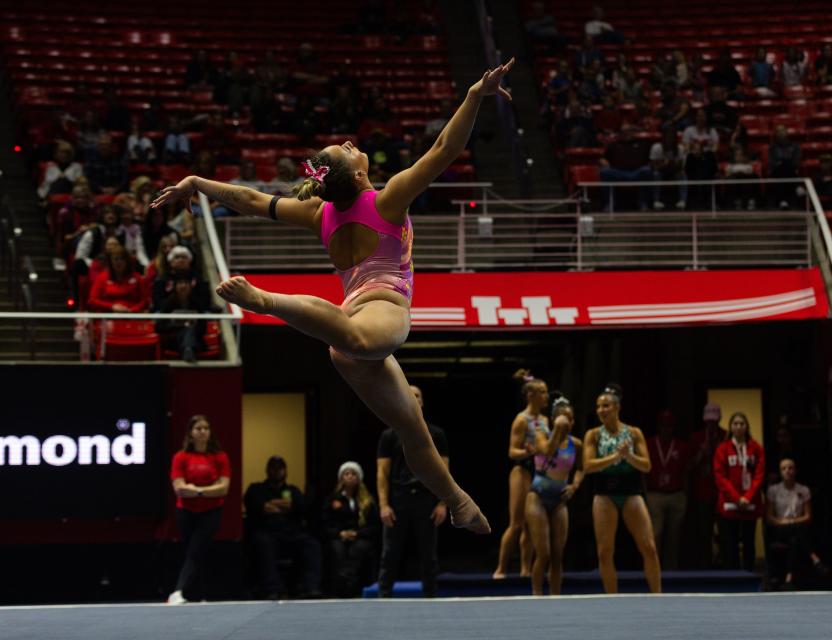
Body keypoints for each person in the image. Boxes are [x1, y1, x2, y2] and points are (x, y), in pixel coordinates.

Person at [151, 62, 517, 534]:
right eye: (342, 149)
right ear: (359, 174)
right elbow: (445, 148)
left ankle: (457, 499)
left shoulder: (318, 213)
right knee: (361, 341)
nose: (348, 143)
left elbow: (249, 200)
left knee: (413, 431)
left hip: (349, 331)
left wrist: (200, 183)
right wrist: (473, 94)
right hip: (380, 311)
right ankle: (265, 300)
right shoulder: (386, 199)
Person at [583, 384, 661, 594]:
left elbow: (646, 465)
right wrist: (615, 457)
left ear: (617, 408)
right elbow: (588, 466)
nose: (601, 410)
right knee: (605, 551)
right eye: (598, 406)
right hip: (604, 493)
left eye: (606, 405)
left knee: (649, 547)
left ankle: (658, 596)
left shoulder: (634, 433)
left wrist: (629, 456)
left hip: (631, 491)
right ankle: (612, 598)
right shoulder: (593, 435)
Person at [376, 385, 449, 597]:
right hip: (398, 500)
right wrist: (383, 505)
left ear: (422, 402)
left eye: (417, 395)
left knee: (428, 554)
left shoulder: (436, 434)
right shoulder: (389, 435)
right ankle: (383, 595)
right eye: (409, 395)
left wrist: (443, 503)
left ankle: (431, 597)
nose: (413, 398)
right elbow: (382, 472)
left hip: (426, 499)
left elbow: (444, 471)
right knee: (390, 552)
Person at [168, 415, 231, 604]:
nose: (203, 432)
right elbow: (179, 488)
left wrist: (198, 490)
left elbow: (223, 488)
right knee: (194, 552)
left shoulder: (220, 457)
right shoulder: (181, 457)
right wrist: (208, 490)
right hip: (186, 512)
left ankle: (177, 592)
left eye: (206, 428)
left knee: (195, 550)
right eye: (198, 428)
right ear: (190, 433)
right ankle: (199, 595)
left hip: (211, 513)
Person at [526, 394, 583, 596]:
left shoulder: (575, 444)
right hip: (537, 498)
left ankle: (556, 597)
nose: (567, 423)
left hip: (559, 500)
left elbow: (581, 468)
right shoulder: (541, 436)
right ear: (554, 421)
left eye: (570, 420)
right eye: (563, 419)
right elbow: (548, 451)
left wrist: (574, 486)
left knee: (558, 554)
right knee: (544, 553)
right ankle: (536, 595)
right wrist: (557, 431)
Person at [494, 370, 549, 579]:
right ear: (530, 395)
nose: (546, 396)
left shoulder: (544, 420)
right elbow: (511, 451)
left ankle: (526, 569)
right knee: (516, 523)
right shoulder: (521, 419)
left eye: (546, 392)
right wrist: (528, 451)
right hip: (521, 471)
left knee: (530, 524)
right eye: (542, 392)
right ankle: (501, 568)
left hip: (539, 473)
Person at [244, 456, 323, 599]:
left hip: (290, 533)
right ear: (267, 470)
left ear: (285, 471)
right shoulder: (257, 488)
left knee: (312, 544)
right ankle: (273, 589)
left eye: (280, 468)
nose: (277, 471)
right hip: (267, 532)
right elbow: (257, 504)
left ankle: (311, 587)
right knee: (263, 543)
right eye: (273, 468)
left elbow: (301, 506)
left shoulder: (293, 490)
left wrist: (274, 504)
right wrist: (282, 505)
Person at [713, 412, 765, 571]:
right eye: (735, 423)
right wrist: (737, 498)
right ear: (730, 427)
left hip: (750, 505)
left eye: (742, 423)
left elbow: (759, 474)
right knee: (730, 545)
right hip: (729, 505)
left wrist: (747, 497)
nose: (738, 426)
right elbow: (720, 476)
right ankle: (732, 577)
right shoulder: (723, 449)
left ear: (746, 426)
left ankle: (749, 575)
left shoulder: (755, 448)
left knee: (749, 543)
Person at [766, 458, 828, 589]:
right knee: (795, 533)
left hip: (797, 526)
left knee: (795, 539)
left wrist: (792, 521)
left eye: (790, 468)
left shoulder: (804, 490)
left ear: (795, 470)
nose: (787, 471)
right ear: (780, 472)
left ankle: (789, 579)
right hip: (779, 528)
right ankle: (814, 558)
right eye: (784, 468)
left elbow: (808, 516)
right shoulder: (773, 490)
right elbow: (770, 517)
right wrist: (782, 522)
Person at [322, 461, 379, 598]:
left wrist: (357, 533)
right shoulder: (332, 499)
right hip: (338, 536)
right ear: (341, 478)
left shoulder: (367, 501)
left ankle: (350, 587)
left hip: (360, 537)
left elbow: (373, 525)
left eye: (353, 474)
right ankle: (340, 589)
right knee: (337, 550)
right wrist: (339, 533)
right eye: (346, 473)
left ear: (359, 478)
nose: (350, 476)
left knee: (358, 550)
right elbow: (325, 522)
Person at [646, 409, 692, 571]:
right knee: (655, 534)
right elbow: (643, 470)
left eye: (669, 426)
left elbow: (686, 471)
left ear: (674, 427)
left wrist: (685, 495)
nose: (666, 429)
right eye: (663, 425)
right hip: (655, 494)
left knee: (674, 537)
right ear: (659, 427)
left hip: (676, 494)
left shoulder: (682, 446)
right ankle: (654, 571)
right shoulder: (649, 444)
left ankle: (671, 572)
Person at [688, 402, 726, 568]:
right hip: (702, 492)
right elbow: (689, 466)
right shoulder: (696, 438)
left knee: (725, 532)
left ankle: (725, 565)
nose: (712, 425)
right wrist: (702, 451)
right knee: (704, 533)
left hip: (722, 492)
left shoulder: (725, 436)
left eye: (714, 421)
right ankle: (705, 567)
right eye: (709, 422)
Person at [86, 246, 149, 312]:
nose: (119, 262)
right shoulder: (101, 278)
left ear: (127, 261)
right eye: (116, 259)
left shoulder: (137, 278)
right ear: (111, 262)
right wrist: (111, 306)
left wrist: (131, 310)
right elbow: (92, 300)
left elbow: (145, 301)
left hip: (133, 316)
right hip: (108, 316)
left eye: (122, 259)